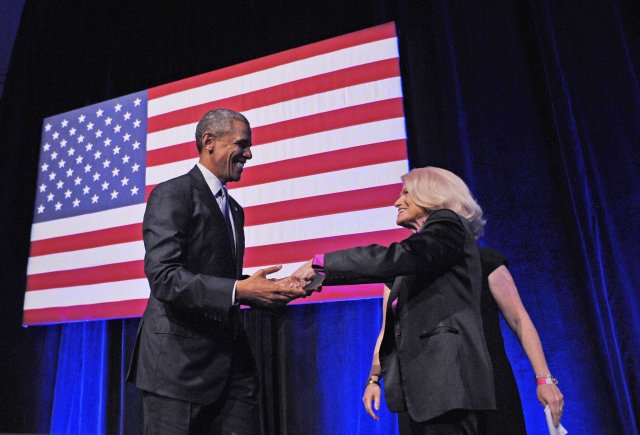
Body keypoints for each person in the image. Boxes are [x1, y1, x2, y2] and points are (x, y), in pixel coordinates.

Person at [126, 108, 306, 434]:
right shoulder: (173, 193)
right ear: (209, 141)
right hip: (177, 368)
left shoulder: (234, 209)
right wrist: (240, 290)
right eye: (242, 144)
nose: (249, 154)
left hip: (230, 366)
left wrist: (268, 289)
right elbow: (164, 277)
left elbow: (218, 277)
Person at [295, 167, 496, 434]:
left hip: (448, 385)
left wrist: (322, 263)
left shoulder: (447, 225)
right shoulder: (419, 256)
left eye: (405, 193)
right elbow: (391, 311)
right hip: (422, 392)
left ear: (430, 194)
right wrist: (320, 278)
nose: (396, 201)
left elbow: (396, 258)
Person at [362, 247, 565, 434]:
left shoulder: (483, 260)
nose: (397, 204)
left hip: (484, 391)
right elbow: (387, 332)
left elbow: (518, 319)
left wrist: (544, 380)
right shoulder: (400, 271)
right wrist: (374, 379)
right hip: (421, 396)